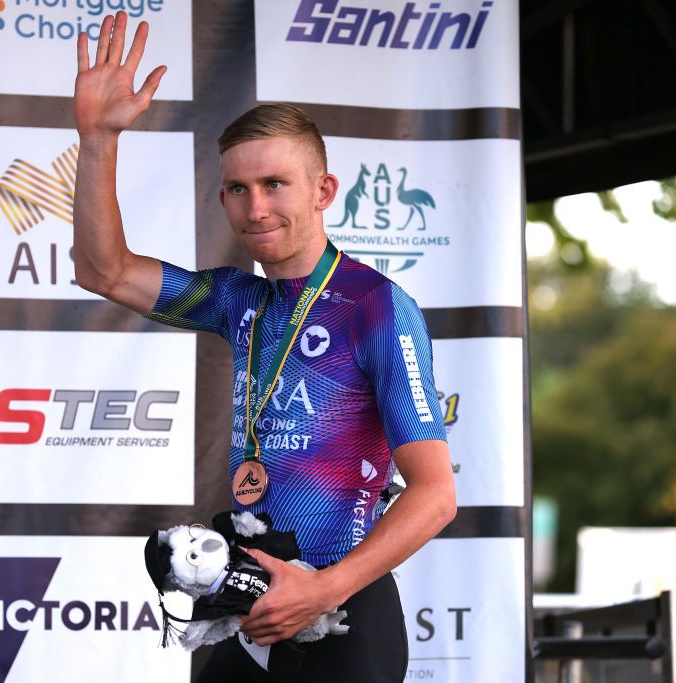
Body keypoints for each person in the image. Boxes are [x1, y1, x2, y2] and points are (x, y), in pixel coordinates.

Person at [73, 11, 457, 682]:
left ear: (323, 190)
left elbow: (435, 494)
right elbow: (103, 269)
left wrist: (327, 586)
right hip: (243, 596)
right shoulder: (238, 298)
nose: (255, 209)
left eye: (275, 184)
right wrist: (99, 138)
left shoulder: (375, 307)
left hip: (342, 606)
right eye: (238, 189)